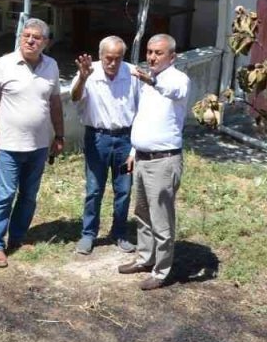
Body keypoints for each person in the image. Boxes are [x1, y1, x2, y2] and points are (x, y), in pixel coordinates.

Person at [0, 18, 64, 268]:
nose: (30, 40)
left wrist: (59, 136)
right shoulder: (2, 65)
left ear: (45, 42)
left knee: (29, 195)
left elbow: (56, 103)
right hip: (8, 145)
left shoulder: (51, 66)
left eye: (36, 37)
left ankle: (17, 236)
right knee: (5, 195)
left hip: (38, 146)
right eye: (26, 35)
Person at [118, 34, 190, 290]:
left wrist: (152, 80)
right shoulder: (145, 82)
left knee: (161, 218)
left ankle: (161, 271)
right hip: (143, 158)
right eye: (149, 52)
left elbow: (173, 91)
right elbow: (145, 117)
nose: (152, 57)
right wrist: (134, 150)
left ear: (172, 56)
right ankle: (144, 258)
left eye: (158, 53)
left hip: (164, 161)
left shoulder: (177, 79)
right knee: (142, 213)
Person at [70, 35, 140, 255]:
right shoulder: (89, 72)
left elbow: (142, 109)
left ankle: (119, 233)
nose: (113, 63)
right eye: (109, 58)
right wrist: (82, 78)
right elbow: (74, 97)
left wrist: (135, 146)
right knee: (94, 189)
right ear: (101, 56)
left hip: (125, 141)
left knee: (124, 190)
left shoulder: (133, 73)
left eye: (118, 58)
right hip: (97, 140)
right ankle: (88, 234)